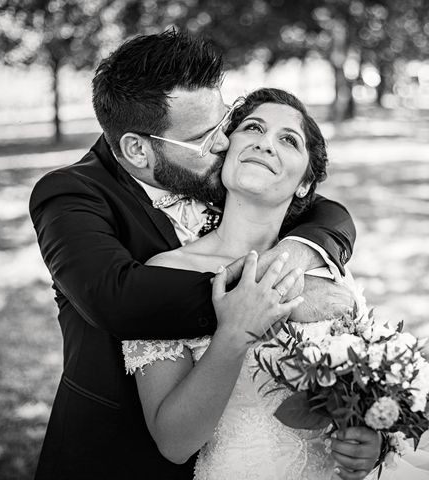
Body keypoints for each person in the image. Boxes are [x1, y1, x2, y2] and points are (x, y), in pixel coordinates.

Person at [29, 30, 368, 480]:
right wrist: (275, 295)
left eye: (225, 121)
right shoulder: (71, 196)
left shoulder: (218, 175)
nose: (226, 142)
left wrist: (298, 252)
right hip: (116, 457)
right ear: (137, 149)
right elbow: (117, 298)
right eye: (206, 137)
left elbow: (326, 211)